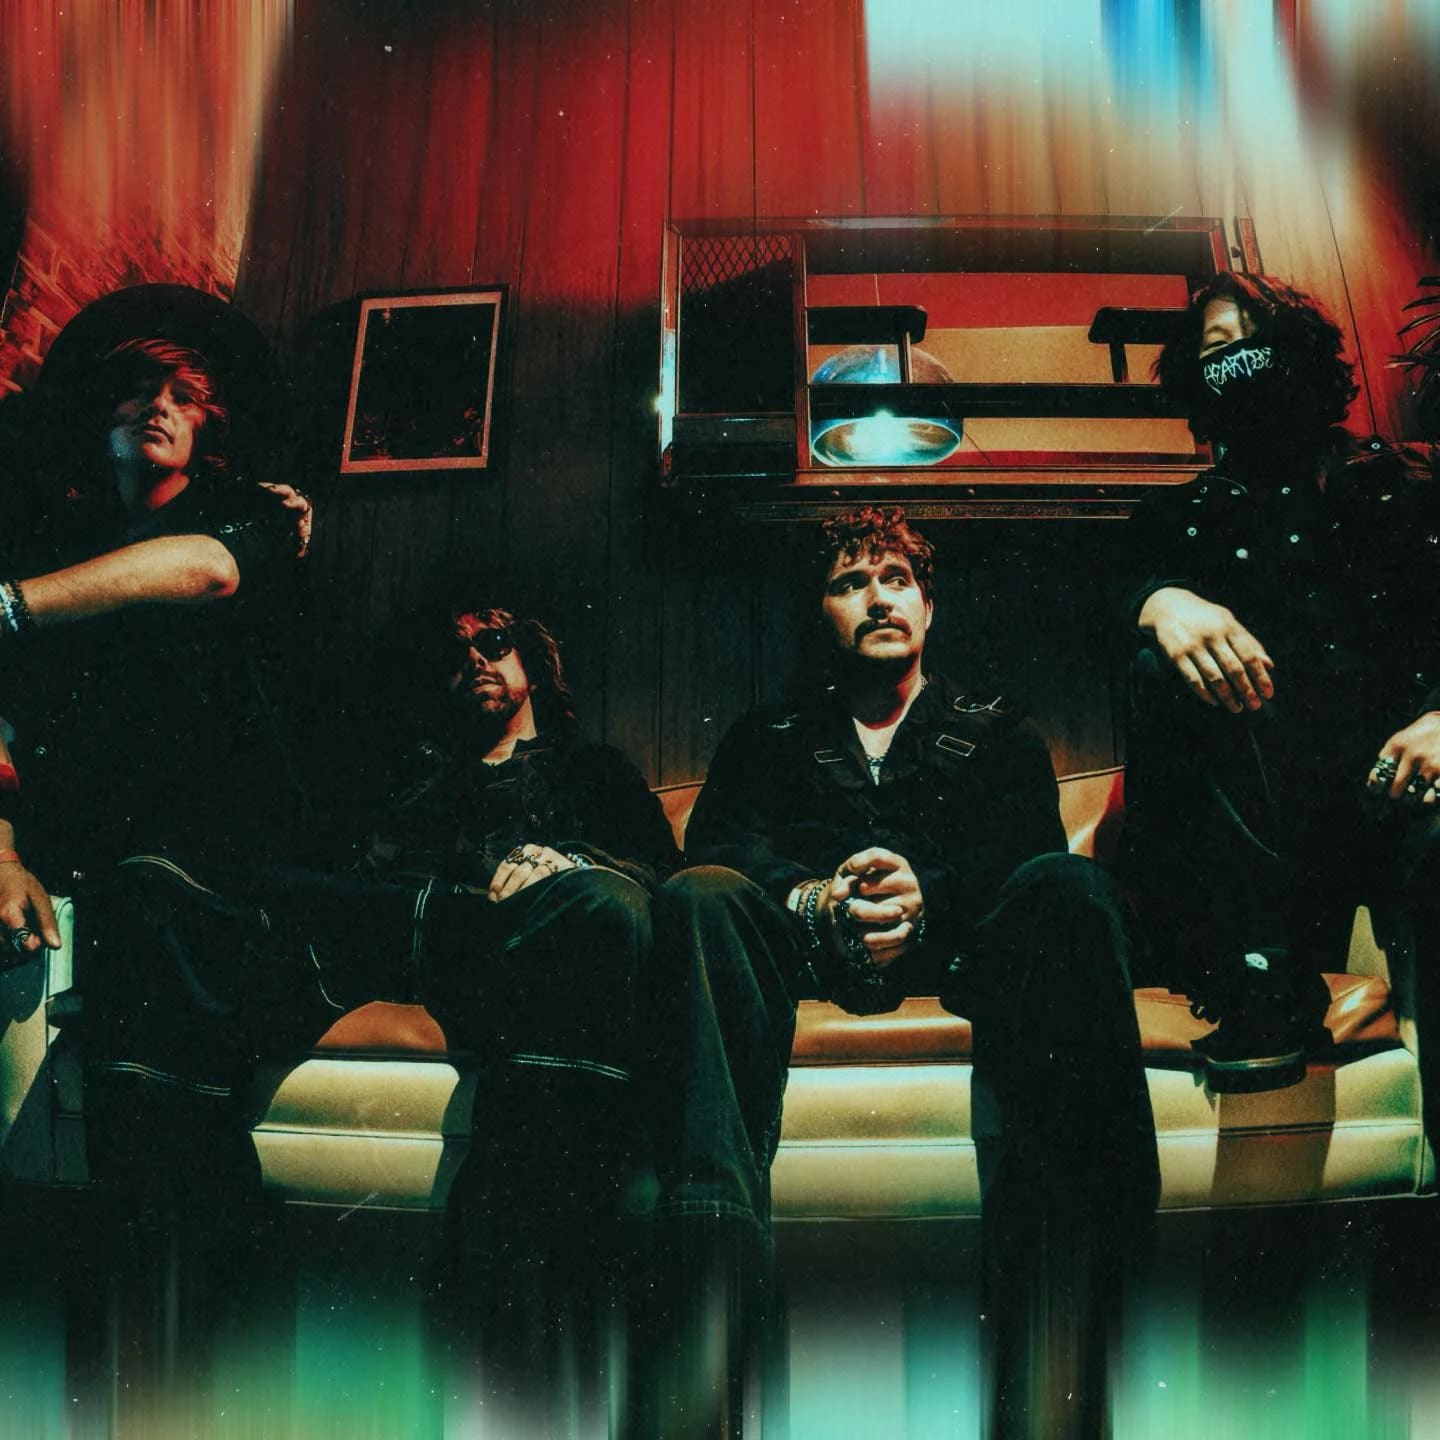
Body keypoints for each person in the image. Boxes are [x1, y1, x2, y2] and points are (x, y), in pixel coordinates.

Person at [652, 505, 1159, 1435]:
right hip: (800, 957)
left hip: (965, 955)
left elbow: (1025, 856)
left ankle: (1067, 1332)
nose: (877, 598)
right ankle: (703, 1318)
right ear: (823, 614)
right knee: (700, 896)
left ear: (929, 606)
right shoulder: (767, 734)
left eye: (896, 579)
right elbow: (720, 849)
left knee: (1071, 890)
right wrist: (815, 898)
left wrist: (929, 896)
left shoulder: (997, 728)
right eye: (850, 583)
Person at [1117, 272, 1440, 1103]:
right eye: (1217, 348)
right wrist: (1162, 601)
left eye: (1255, 341)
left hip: (1394, 793)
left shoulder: (1398, 486)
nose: (1239, 361)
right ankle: (1261, 974)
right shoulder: (1173, 521)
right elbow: (1108, 609)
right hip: (1260, 823)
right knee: (1155, 666)